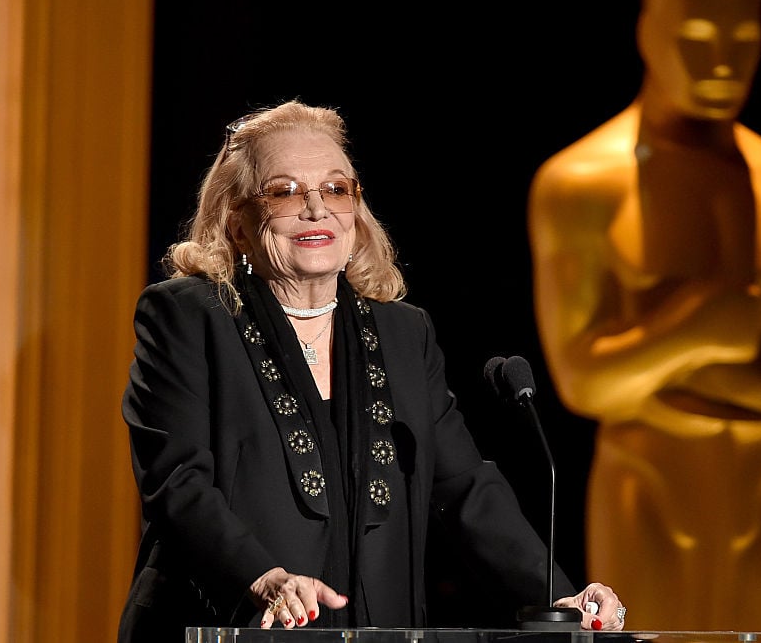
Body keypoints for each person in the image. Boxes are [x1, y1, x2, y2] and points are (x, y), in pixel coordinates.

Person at [118, 99, 626, 642]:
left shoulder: (403, 334)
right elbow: (177, 483)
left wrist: (557, 598)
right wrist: (261, 578)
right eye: (285, 191)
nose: (317, 210)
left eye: (337, 189)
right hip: (227, 623)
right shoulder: (187, 317)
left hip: (376, 625)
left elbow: (465, 488)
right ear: (238, 223)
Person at [527, 0, 761, 631]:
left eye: (743, 40)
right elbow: (583, 383)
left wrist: (665, 362)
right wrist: (699, 328)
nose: (724, 65)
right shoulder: (584, 185)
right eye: (697, 41)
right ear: (647, 35)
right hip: (646, 486)